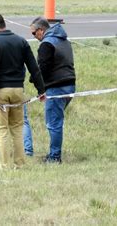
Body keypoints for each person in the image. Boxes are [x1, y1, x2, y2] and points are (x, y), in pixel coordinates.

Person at [0, 13, 45, 170]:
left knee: (1, 130)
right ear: (4, 24)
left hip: (0, 92)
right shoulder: (21, 41)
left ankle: (5, 166)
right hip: (18, 90)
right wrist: (41, 90)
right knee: (17, 128)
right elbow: (34, 68)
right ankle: (20, 164)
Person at [30, 17, 76, 164]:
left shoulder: (46, 44)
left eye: (33, 33)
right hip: (70, 85)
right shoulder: (64, 40)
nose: (33, 36)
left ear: (41, 30)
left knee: (54, 123)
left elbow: (42, 68)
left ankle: (54, 157)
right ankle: (54, 153)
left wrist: (34, 81)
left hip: (56, 87)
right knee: (56, 121)